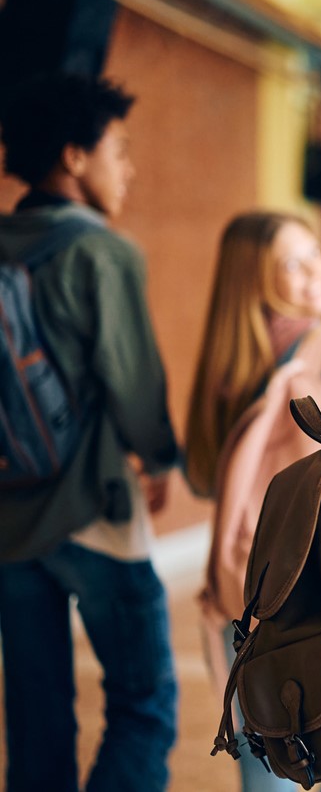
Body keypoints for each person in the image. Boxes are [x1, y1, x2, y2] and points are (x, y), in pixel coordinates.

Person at [0, 74, 179, 791]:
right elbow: (133, 383)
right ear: (74, 157)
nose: (127, 169)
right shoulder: (100, 251)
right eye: (119, 152)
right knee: (144, 707)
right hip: (94, 508)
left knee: (36, 722)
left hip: (9, 520)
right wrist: (163, 458)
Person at [184, 211, 321, 792]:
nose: (316, 268)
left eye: (313, 252)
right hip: (313, 594)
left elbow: (204, 479)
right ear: (253, 278)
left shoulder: (223, 369)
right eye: (293, 260)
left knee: (267, 770)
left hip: (240, 592)